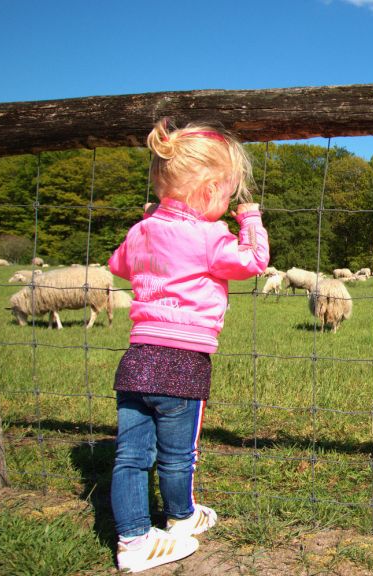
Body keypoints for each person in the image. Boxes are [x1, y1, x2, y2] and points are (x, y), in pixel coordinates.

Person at [107, 118, 269, 573]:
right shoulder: (209, 236)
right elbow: (254, 260)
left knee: (130, 455)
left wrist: (148, 228)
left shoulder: (142, 231)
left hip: (137, 360)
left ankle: (133, 538)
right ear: (207, 190)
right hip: (182, 360)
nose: (228, 202)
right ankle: (181, 519)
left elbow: (117, 263)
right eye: (227, 194)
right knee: (179, 454)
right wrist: (249, 217)